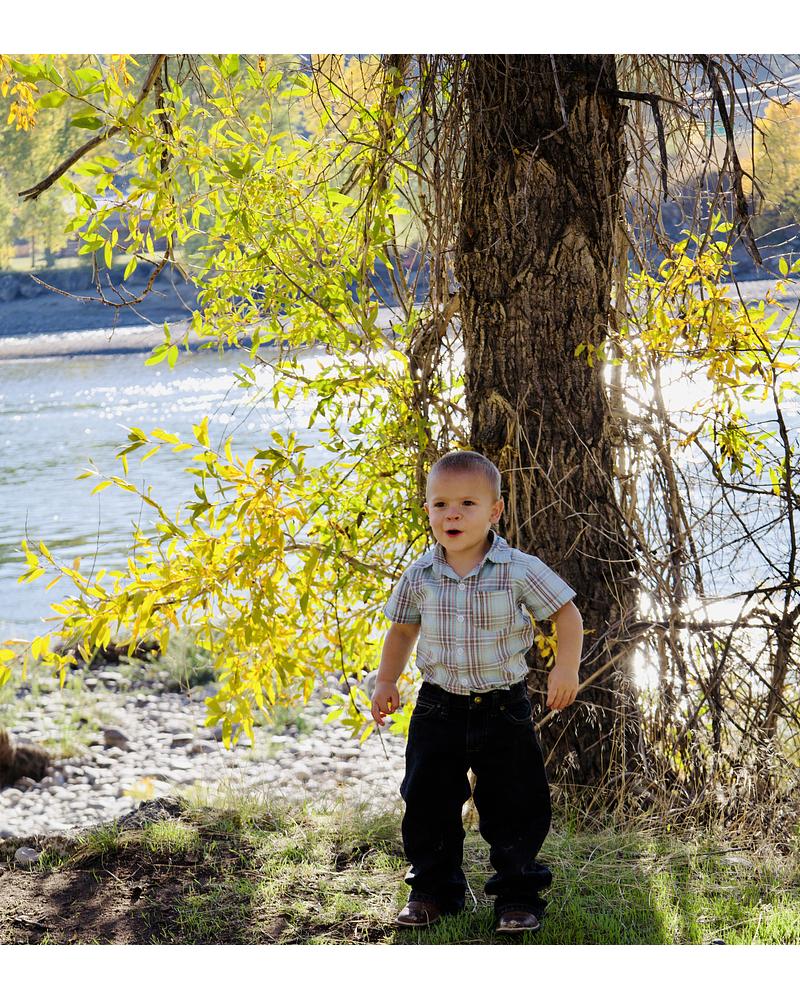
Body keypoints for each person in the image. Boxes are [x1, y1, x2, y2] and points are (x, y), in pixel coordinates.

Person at [372, 450, 583, 934]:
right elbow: (402, 630)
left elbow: (566, 614)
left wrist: (565, 668)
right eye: (441, 504)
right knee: (427, 802)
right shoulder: (420, 575)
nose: (453, 514)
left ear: (495, 510)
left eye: (467, 504)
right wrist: (386, 680)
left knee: (515, 805)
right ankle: (432, 891)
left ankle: (517, 896)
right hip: (438, 707)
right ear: (428, 509)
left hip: (503, 708)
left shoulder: (517, 568)